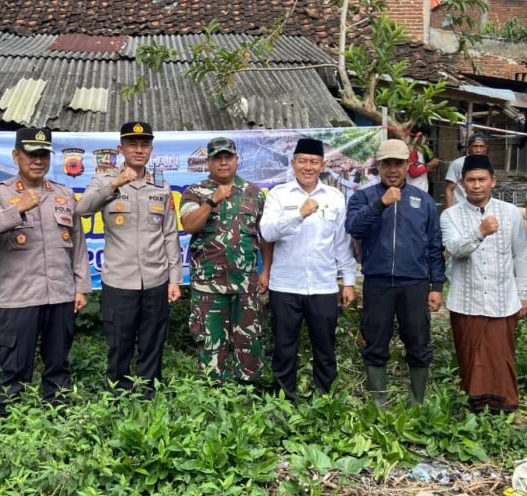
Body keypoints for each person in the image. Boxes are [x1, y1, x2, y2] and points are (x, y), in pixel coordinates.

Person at [0, 127, 90, 412]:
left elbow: (77, 244)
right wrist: (18, 210)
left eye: (42, 154)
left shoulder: (63, 194)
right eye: (30, 154)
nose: (37, 160)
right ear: (16, 156)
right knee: (15, 368)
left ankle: (59, 419)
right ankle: (12, 423)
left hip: (60, 295)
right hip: (21, 298)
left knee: (58, 366)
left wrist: (81, 287)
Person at [76, 121, 182, 398]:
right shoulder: (103, 180)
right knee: (119, 343)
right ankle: (118, 396)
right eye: (132, 144)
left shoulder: (160, 184)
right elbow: (82, 211)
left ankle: (149, 394)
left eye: (144, 144)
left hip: (156, 280)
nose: (138, 149)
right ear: (120, 148)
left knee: (153, 342)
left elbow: (169, 233)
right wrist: (114, 184)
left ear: (151, 149)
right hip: (119, 281)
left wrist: (174, 279)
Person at [346, 139, 446, 407]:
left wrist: (437, 285)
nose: (392, 169)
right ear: (377, 166)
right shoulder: (363, 197)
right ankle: (379, 402)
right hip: (377, 282)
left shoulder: (423, 201)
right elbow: (354, 228)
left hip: (414, 283)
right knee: (375, 341)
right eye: (386, 163)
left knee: (418, 341)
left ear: (407, 165)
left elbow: (434, 244)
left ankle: (417, 401)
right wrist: (381, 203)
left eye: (398, 164)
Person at [261, 138, 357, 401]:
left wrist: (348, 282)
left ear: (322, 165)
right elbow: (267, 232)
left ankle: (325, 399)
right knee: (284, 347)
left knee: (325, 347)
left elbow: (341, 244)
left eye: (313, 162)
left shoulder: (335, 198)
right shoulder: (279, 195)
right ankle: (284, 399)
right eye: (302, 161)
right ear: (293, 164)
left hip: (323, 287)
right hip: (285, 286)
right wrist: (298, 214)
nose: (308, 167)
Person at [441, 154, 527, 413]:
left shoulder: (510, 213)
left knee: (500, 355)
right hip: (466, 300)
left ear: (493, 182)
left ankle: (504, 405)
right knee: (469, 355)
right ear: (461, 183)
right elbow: (455, 249)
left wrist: (523, 293)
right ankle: (474, 404)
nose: (477, 185)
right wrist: (479, 232)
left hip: (503, 299)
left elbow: (522, 254)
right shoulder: (450, 216)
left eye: (482, 179)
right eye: (471, 180)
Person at [179, 136, 272, 382]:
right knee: (210, 343)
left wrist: (265, 272)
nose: (223, 163)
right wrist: (212, 201)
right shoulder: (194, 192)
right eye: (217, 158)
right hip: (208, 286)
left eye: (227, 157)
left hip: (245, 285)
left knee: (249, 342)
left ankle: (248, 396)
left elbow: (265, 236)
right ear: (208, 162)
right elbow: (189, 225)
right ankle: (212, 396)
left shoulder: (254, 193)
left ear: (236, 160)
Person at [444, 133, 488, 207]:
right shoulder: (457, 163)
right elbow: (449, 188)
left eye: (481, 146)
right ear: (469, 147)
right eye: (475, 146)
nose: (478, 150)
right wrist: (449, 210)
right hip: (460, 207)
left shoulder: (487, 164)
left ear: (486, 147)